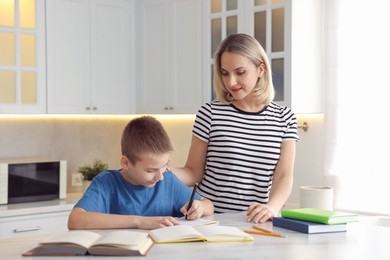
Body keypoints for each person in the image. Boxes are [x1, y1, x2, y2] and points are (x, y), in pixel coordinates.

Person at [173, 33, 299, 224]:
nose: (231, 82)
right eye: (225, 73)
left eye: (240, 72)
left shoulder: (284, 118)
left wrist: (272, 207)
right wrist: (160, 171)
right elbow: (193, 172)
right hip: (209, 220)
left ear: (261, 69)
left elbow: (283, 176)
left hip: (255, 223)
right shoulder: (210, 113)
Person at [68, 116, 214, 230]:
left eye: (165, 166)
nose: (160, 176)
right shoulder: (106, 183)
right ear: (125, 163)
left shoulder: (167, 180)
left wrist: (199, 207)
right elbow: (75, 220)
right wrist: (139, 221)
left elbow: (208, 205)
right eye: (150, 170)